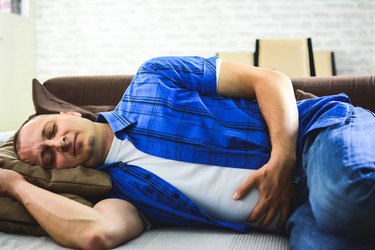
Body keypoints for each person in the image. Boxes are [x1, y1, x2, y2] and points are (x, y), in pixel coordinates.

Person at [0, 56, 374, 250]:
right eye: (48, 158)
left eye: (52, 132)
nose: (59, 144)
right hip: (297, 214)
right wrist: (16, 184)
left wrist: (283, 158)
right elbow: (96, 234)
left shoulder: (154, 78)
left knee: (340, 198)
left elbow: (270, 78)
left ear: (66, 115)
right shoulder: (121, 193)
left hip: (318, 136)